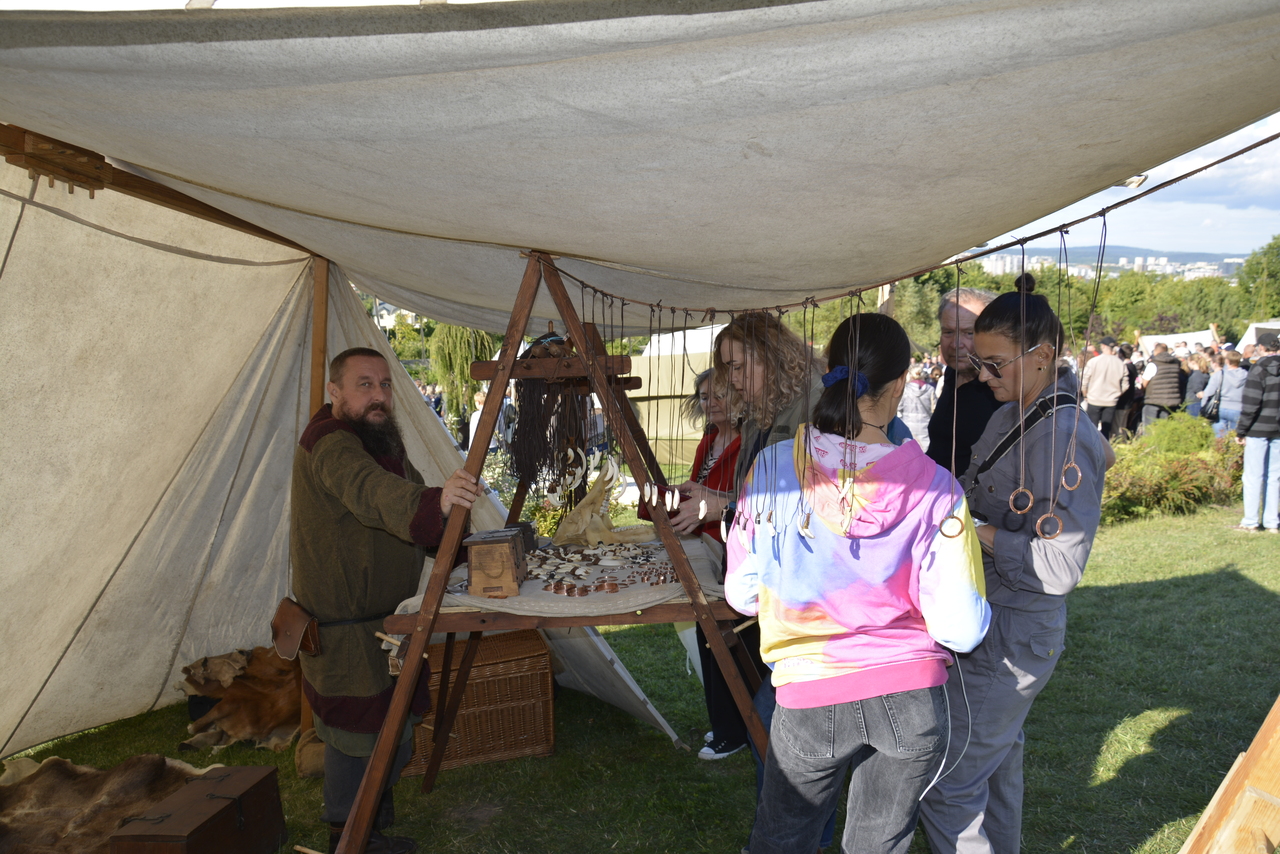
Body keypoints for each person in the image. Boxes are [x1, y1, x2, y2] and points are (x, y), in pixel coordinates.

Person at [726, 313, 990, 854]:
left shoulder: (773, 469)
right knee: (878, 844)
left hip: (809, 690)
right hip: (910, 693)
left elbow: (743, 594)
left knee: (781, 840)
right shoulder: (938, 489)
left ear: (830, 370)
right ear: (900, 383)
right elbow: (961, 629)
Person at [920, 279, 1108, 854]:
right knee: (994, 770)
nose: (982, 375)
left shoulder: (1063, 437)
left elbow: (1059, 567)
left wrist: (968, 529)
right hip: (991, 618)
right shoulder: (1013, 415)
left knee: (947, 787)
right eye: (979, 363)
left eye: (994, 364)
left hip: (1015, 632)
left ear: (1042, 356)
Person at [292, 347, 481, 854]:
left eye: (385, 384)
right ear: (335, 392)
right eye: (364, 384)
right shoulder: (331, 442)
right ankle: (348, 838)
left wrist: (468, 549)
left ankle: (371, 819)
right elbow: (372, 492)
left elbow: (411, 495)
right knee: (355, 736)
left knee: (387, 725)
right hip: (346, 631)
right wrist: (434, 503)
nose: (378, 395)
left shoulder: (377, 438)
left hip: (382, 624)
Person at [640, 369, 743, 758]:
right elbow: (700, 491)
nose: (709, 403)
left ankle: (732, 729)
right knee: (706, 632)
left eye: (718, 394)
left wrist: (708, 503)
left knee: (721, 635)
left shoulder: (748, 442)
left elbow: (742, 498)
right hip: (706, 543)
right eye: (703, 396)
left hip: (731, 549)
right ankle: (724, 723)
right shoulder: (710, 439)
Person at [927, 287, 1001, 475]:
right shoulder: (951, 374)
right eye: (948, 332)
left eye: (969, 333)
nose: (956, 344)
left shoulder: (1002, 389)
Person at [1235, 332, 1280, 533]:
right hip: (1277, 428)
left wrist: (1241, 430)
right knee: (1274, 477)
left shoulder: (1258, 369)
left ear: (1261, 348)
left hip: (1257, 428)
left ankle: (1251, 520)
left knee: (1253, 476)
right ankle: (1271, 522)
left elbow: (1251, 404)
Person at [1079, 336, 1129, 440]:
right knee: (1106, 429)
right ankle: (1104, 448)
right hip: (1111, 400)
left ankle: (1091, 447)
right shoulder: (1120, 363)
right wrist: (1118, 393)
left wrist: (1085, 394)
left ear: (1103, 346)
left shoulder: (1094, 361)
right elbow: (1126, 385)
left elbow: (1084, 381)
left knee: (1091, 428)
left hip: (1094, 399)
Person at [1200, 350, 1249, 438]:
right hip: (1239, 408)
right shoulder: (1246, 375)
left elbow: (1208, 393)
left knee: (1219, 437)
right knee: (1235, 437)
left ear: (1227, 361)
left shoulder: (1219, 374)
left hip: (1220, 408)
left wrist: (1204, 407)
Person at [1138, 343, 1185, 426]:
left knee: (1149, 427)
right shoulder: (1175, 363)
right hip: (1170, 400)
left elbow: (1144, 383)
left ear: (1156, 351)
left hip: (1153, 400)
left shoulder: (1153, 364)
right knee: (1163, 427)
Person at [898, 363, 936, 453]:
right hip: (926, 425)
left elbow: (899, 407)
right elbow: (934, 408)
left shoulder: (905, 389)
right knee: (925, 453)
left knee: (909, 452)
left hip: (908, 424)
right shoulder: (930, 389)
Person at [1183, 352, 1211, 418]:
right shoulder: (1204, 373)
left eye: (1188, 362)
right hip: (1196, 402)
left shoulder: (1196, 374)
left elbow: (1197, 389)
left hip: (1193, 402)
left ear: (1192, 362)